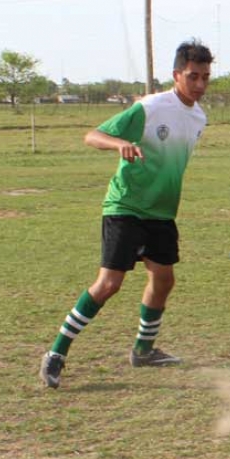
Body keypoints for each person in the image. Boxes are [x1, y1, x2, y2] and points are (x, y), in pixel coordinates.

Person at [39, 39, 213, 389]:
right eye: (193, 76)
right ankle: (56, 353)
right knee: (109, 284)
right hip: (126, 207)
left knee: (163, 279)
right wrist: (120, 143)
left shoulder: (199, 117)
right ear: (177, 74)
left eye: (205, 77)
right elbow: (93, 135)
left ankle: (144, 350)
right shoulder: (149, 108)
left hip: (161, 214)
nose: (199, 85)